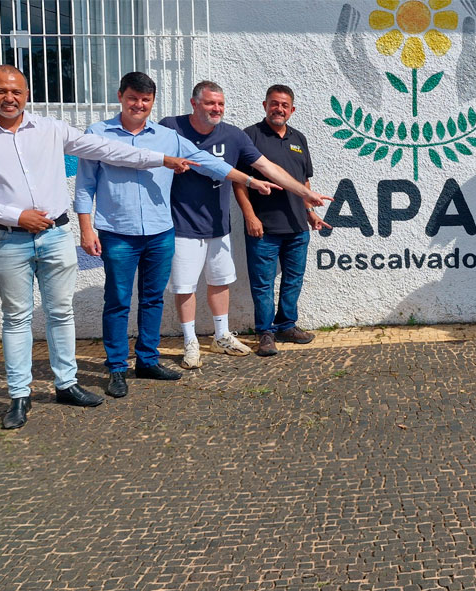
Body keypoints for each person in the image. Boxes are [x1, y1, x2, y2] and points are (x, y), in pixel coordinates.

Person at [0, 65, 195, 429]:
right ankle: (19, 395)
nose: (9, 98)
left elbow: (109, 149)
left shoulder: (51, 129)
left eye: (16, 91)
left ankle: (66, 384)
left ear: (27, 93)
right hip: (7, 240)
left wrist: (160, 159)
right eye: (1, 91)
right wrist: (18, 216)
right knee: (16, 318)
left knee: (61, 313)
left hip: (55, 236)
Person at [74, 72, 333, 398]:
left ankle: (147, 360)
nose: (139, 105)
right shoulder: (98, 133)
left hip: (159, 231)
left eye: (145, 100)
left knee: (152, 300)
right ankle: (115, 368)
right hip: (117, 232)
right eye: (133, 98)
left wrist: (266, 185)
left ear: (152, 102)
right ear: (120, 96)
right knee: (118, 302)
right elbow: (85, 185)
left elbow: (214, 165)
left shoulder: (165, 135)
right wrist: (86, 228)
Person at [160, 81, 333, 369]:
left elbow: (280, 172)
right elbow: (238, 178)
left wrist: (307, 201)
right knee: (190, 286)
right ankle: (203, 340)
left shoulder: (251, 136)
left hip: (237, 226)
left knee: (224, 282)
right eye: (209, 103)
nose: (216, 109)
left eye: (220, 104)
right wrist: (251, 212)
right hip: (197, 227)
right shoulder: (178, 128)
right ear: (194, 103)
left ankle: (234, 333)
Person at [237, 85, 332, 357]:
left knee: (293, 279)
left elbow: (303, 181)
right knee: (263, 282)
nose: (279, 109)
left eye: (284, 105)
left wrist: (310, 212)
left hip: (297, 227)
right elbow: (240, 183)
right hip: (263, 228)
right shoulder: (250, 136)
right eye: (274, 104)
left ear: (292, 110)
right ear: (264, 105)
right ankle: (265, 333)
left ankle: (287, 325)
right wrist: (250, 216)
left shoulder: (298, 138)